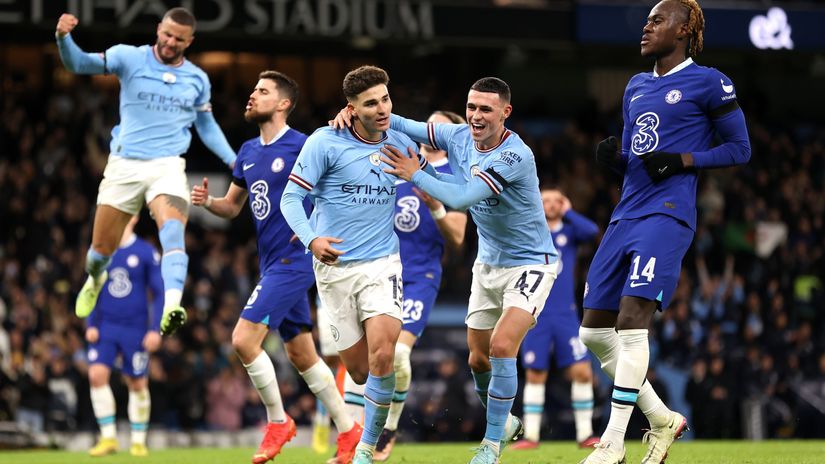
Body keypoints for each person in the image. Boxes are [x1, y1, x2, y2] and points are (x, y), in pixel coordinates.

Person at [353, 76, 560, 464]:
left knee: (502, 347)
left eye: (486, 109)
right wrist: (357, 111)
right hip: (488, 264)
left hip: (531, 262)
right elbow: (402, 123)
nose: (476, 116)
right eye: (471, 107)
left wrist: (415, 173)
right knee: (478, 360)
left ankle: (491, 445)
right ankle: (505, 422)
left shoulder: (514, 156)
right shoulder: (459, 137)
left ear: (505, 112)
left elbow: (463, 198)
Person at [579, 1, 751, 463]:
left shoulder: (709, 81)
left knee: (632, 320)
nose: (646, 26)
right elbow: (639, 160)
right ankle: (661, 419)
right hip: (625, 214)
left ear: (684, 29)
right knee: (593, 333)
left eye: (657, 20)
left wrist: (685, 160)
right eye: (647, 20)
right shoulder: (635, 86)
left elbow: (740, 148)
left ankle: (612, 442)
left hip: (669, 214)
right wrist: (615, 161)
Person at [190, 70, 362, 464]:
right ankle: (349, 430)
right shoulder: (248, 151)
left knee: (243, 339)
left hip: (296, 259)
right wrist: (208, 203)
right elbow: (232, 206)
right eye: (253, 89)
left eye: (263, 91)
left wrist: (317, 228)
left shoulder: (304, 145)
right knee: (302, 354)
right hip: (269, 262)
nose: (252, 95)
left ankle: (278, 421)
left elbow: (338, 189)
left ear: (283, 103)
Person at [55, 7, 236, 335]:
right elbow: (78, 64)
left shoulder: (197, 79)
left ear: (190, 41)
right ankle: (95, 278)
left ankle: (172, 305)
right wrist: (63, 37)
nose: (170, 42)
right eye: (167, 34)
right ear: (158, 29)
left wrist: (233, 161)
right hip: (125, 165)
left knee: (173, 233)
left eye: (179, 39)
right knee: (99, 252)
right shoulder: (129, 57)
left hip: (167, 166)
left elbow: (206, 126)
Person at [280, 65, 418, 464]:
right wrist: (312, 239)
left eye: (385, 99)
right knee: (358, 371)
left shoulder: (401, 139)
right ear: (351, 108)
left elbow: (444, 150)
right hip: (334, 270)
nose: (382, 109)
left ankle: (366, 451)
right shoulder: (325, 142)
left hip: (383, 264)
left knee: (383, 356)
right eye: (370, 103)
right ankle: (369, 429)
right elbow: (290, 199)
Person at [321, 110, 468, 462]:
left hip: (419, 276)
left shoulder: (455, 174)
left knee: (397, 354)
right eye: (428, 122)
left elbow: (458, 237)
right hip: (375, 268)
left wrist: (437, 209)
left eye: (440, 126)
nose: (430, 129)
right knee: (362, 359)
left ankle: (388, 428)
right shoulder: (397, 159)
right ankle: (352, 442)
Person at [511, 188, 600, 450]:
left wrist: (569, 212)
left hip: (565, 315)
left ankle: (585, 434)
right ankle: (531, 436)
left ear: (562, 203)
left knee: (582, 371)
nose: (550, 205)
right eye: (545, 201)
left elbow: (592, 232)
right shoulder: (531, 231)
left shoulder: (570, 232)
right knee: (535, 373)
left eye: (555, 201)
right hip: (535, 313)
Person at [85, 216, 162, 457]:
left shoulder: (146, 252)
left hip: (135, 328)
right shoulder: (101, 249)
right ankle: (108, 437)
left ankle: (138, 440)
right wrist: (90, 322)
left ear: (134, 217)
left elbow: (159, 292)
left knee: (137, 382)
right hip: (106, 326)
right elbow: (91, 288)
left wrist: (154, 329)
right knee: (96, 375)